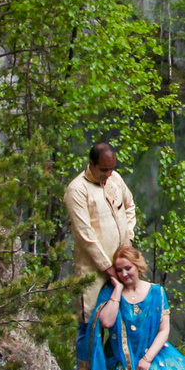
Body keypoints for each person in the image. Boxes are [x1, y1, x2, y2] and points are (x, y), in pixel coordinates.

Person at [63, 140, 137, 328]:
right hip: (93, 270)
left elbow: (129, 206)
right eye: (104, 169)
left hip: (121, 264)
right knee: (91, 322)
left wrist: (129, 238)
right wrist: (107, 266)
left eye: (112, 168)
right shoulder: (77, 189)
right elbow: (84, 232)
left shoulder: (115, 179)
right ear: (92, 164)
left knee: (125, 321)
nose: (109, 173)